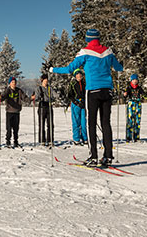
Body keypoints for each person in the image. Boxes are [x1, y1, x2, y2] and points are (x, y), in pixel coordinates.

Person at [49, 28, 123, 167]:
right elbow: (118, 68)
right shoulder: (108, 51)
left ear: (88, 39)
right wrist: (120, 65)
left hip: (93, 91)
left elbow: (70, 69)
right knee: (106, 123)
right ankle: (108, 156)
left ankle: (93, 156)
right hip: (107, 90)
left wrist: (53, 69)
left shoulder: (85, 52)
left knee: (91, 124)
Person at [0, 77, 32, 148]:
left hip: (17, 111)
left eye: (15, 82)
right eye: (12, 82)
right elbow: (3, 96)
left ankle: (16, 142)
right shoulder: (8, 90)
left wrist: (30, 99)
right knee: (9, 128)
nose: (14, 84)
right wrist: (0, 97)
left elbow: (24, 98)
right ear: (10, 83)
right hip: (9, 111)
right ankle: (8, 142)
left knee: (16, 128)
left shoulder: (19, 90)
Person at [123, 74, 147, 142]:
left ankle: (136, 137)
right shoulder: (129, 88)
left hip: (138, 104)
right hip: (131, 104)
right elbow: (125, 96)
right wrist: (124, 95)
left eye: (136, 80)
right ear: (131, 81)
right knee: (130, 120)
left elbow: (144, 96)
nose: (135, 81)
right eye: (133, 80)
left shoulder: (139, 88)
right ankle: (128, 137)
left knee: (137, 121)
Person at [67, 69, 87, 146]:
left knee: (84, 122)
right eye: (77, 75)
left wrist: (84, 101)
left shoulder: (84, 83)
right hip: (76, 104)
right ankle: (76, 139)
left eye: (80, 75)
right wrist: (76, 102)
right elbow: (69, 95)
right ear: (75, 76)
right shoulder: (72, 83)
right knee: (76, 122)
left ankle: (85, 138)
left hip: (83, 103)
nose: (79, 76)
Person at [34, 74, 54, 146]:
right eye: (45, 80)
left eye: (47, 80)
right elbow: (36, 97)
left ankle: (50, 140)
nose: (46, 81)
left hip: (49, 106)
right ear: (42, 80)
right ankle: (42, 140)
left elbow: (54, 95)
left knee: (50, 124)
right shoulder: (38, 88)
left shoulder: (50, 88)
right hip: (42, 107)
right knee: (42, 124)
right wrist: (38, 98)